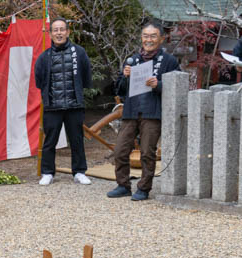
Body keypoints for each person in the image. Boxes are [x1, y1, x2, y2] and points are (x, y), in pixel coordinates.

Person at [109, 21, 180, 201]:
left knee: (148, 152)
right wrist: (124, 77)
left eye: (153, 36)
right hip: (131, 111)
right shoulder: (132, 60)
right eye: (145, 36)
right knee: (120, 150)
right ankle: (123, 185)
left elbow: (179, 86)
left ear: (161, 38)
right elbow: (119, 90)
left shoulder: (169, 61)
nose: (149, 40)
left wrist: (159, 85)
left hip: (152, 112)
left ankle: (144, 188)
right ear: (141, 38)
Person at [33, 18, 93, 185]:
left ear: (67, 32)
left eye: (62, 29)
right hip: (53, 105)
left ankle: (79, 171)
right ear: (51, 34)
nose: (59, 33)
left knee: (77, 140)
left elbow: (86, 76)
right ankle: (47, 172)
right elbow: (39, 81)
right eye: (55, 30)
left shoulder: (79, 52)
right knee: (50, 140)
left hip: (74, 104)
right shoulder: (44, 57)